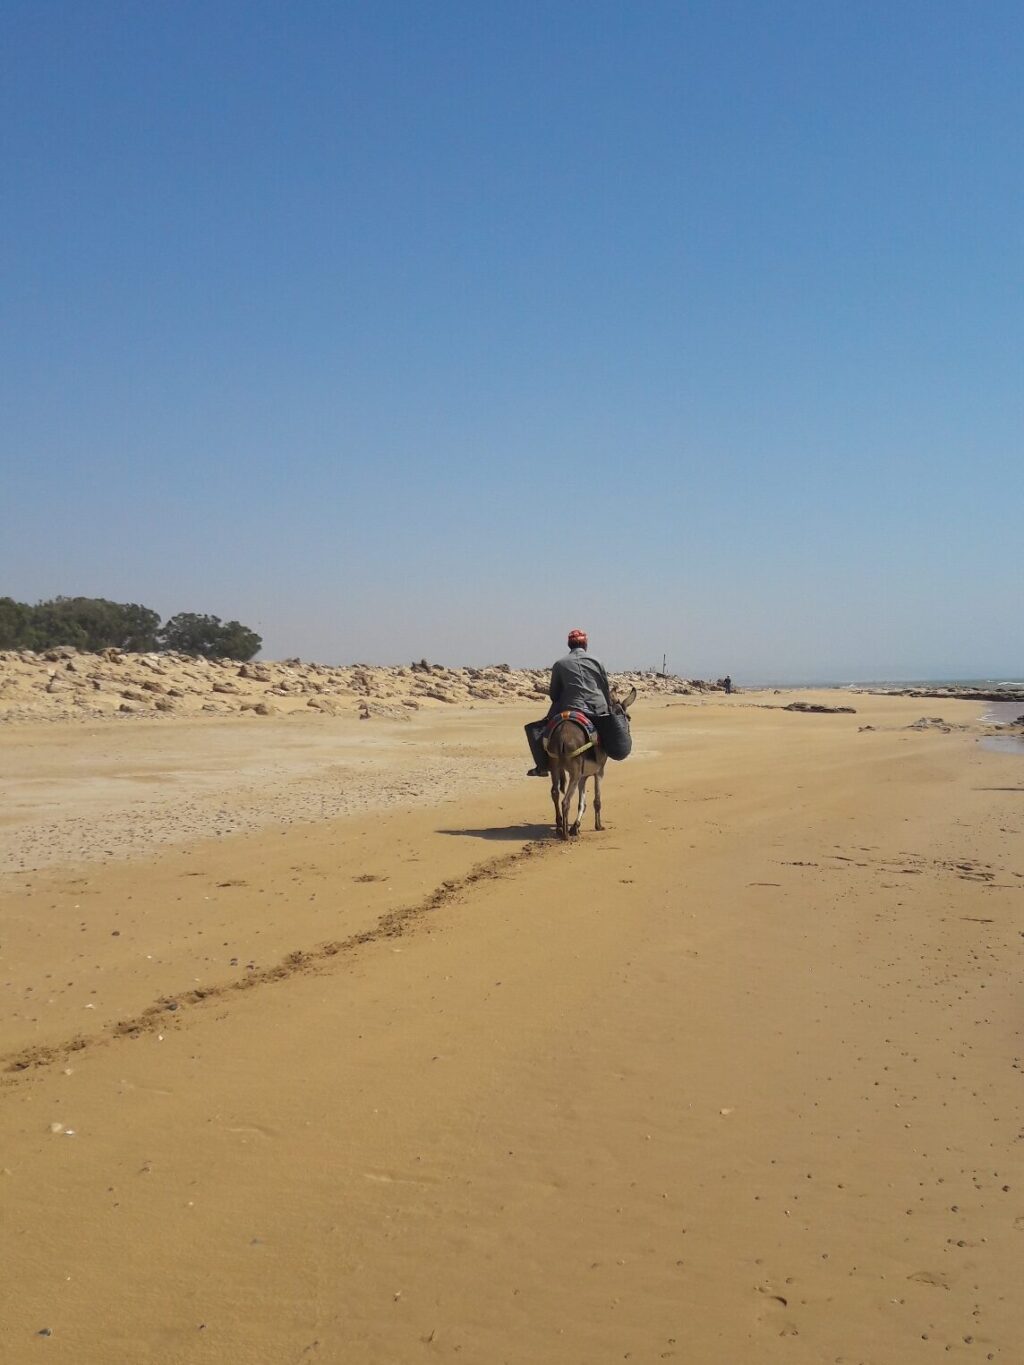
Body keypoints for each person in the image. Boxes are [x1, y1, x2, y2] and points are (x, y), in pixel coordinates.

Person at [526, 629, 613, 776]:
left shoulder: (560, 664)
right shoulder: (597, 661)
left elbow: (554, 694)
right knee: (610, 730)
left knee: (538, 730)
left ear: (569, 645)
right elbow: (605, 687)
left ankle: (541, 766)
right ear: (585, 644)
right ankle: (612, 751)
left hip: (570, 706)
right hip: (597, 707)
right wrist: (607, 707)